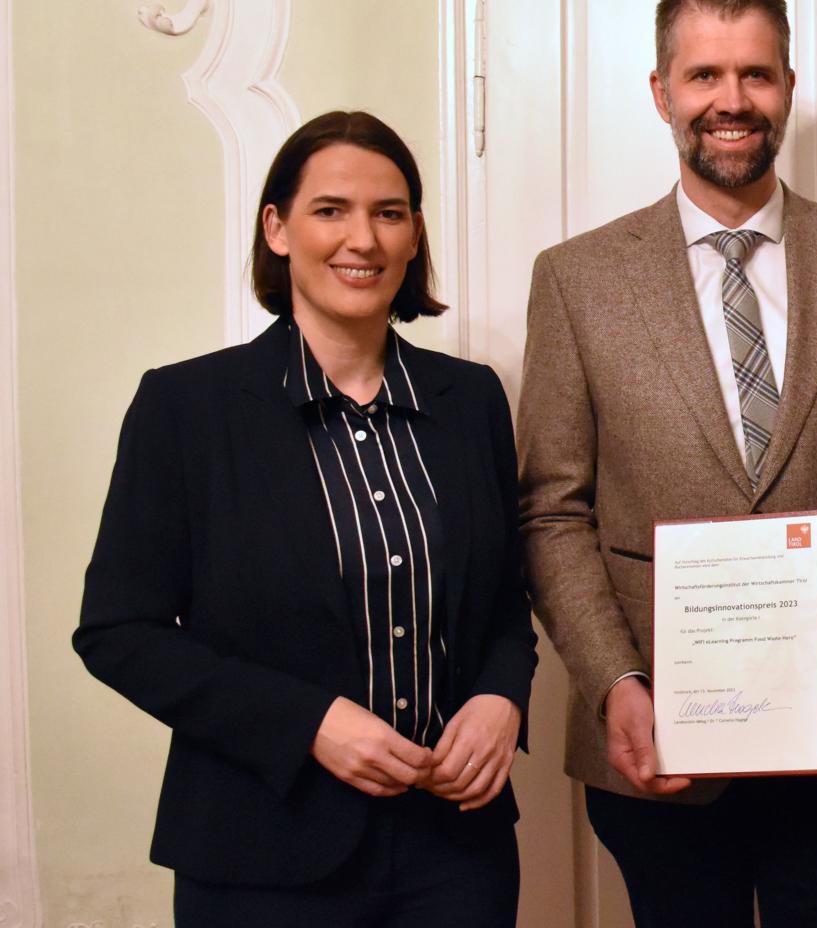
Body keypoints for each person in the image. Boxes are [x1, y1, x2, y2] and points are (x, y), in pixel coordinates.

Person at [517, 0, 817, 927]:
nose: (732, 100)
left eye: (755, 74)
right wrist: (613, 680)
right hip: (661, 737)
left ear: (788, 87)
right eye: (705, 74)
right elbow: (553, 509)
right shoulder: (577, 281)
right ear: (662, 92)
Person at [73, 111, 537, 926]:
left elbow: (504, 598)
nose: (363, 239)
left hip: (456, 852)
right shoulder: (186, 408)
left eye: (389, 213)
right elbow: (119, 631)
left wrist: (503, 698)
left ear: (414, 234)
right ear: (277, 227)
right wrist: (309, 724)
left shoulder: (472, 401)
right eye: (331, 210)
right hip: (260, 854)